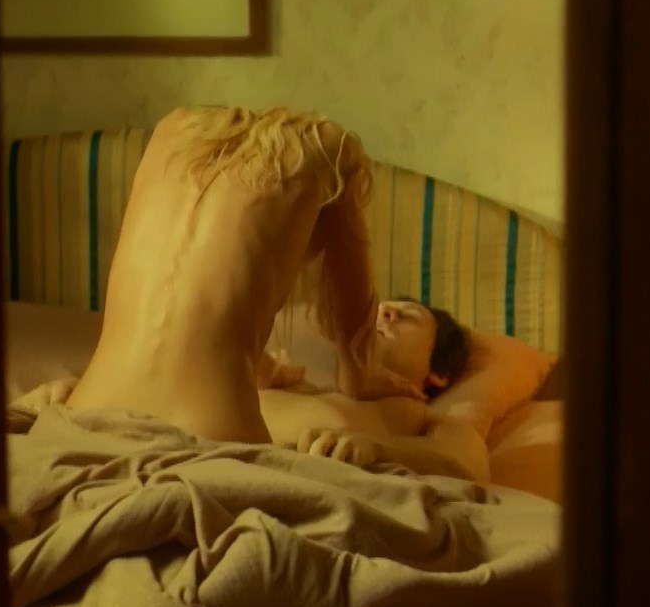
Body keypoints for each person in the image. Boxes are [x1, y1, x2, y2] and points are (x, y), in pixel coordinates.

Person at [65, 106, 440, 445]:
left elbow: (196, 301)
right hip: (208, 433)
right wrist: (370, 376)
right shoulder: (331, 149)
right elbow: (356, 369)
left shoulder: (172, 128)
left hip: (83, 418)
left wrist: (266, 368)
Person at [261, 296, 493, 483]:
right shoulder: (293, 380)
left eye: (407, 317)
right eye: (375, 309)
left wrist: (377, 450)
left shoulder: (424, 421)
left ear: (439, 374)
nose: (382, 311)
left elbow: (467, 466)